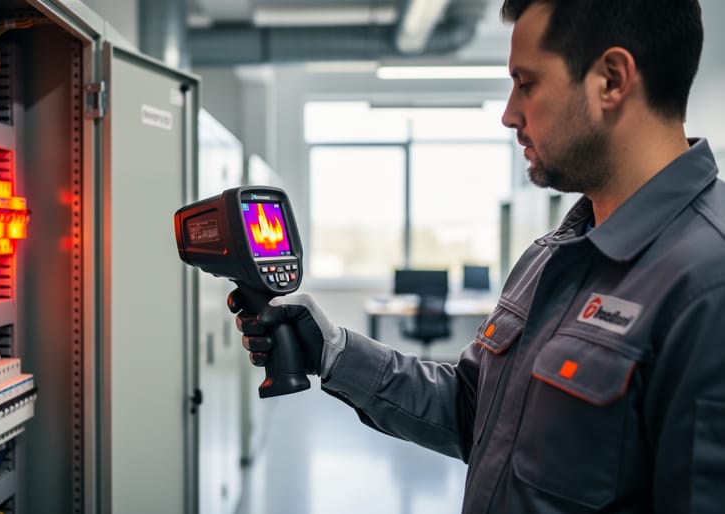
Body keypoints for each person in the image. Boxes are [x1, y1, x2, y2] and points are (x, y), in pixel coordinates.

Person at [229, 0, 725, 512]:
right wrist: (335, 352)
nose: (509, 114)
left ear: (612, 80)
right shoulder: (551, 256)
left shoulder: (709, 284)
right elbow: (475, 408)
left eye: (526, 83)